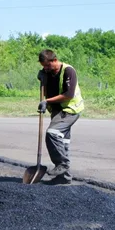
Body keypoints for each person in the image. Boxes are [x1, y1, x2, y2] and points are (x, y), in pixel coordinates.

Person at [36, 50, 84, 184]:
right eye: (43, 66)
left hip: (70, 109)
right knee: (63, 143)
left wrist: (47, 101)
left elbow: (69, 94)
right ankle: (64, 178)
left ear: (54, 60)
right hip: (57, 111)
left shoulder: (69, 71)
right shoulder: (47, 72)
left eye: (47, 66)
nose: (45, 68)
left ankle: (62, 164)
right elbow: (47, 89)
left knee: (52, 134)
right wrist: (42, 79)